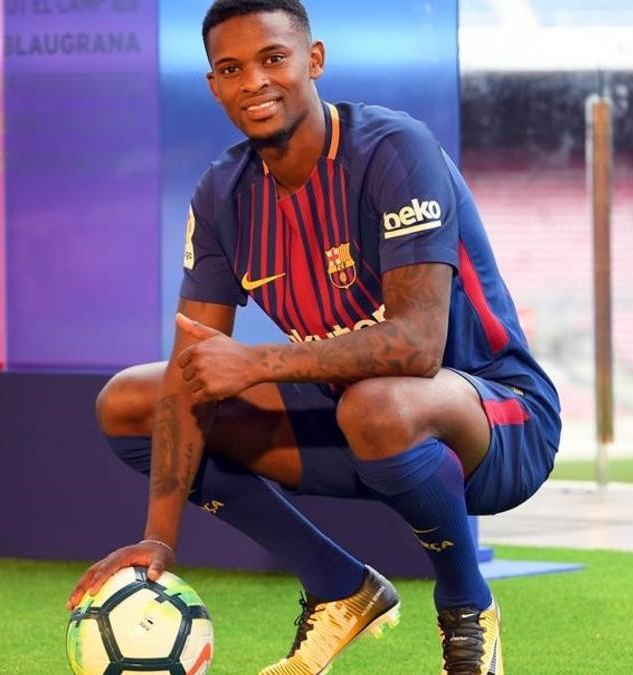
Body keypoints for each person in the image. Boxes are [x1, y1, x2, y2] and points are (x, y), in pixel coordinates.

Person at [67, 1, 561, 673]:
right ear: (214, 85)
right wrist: (160, 536)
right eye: (232, 69)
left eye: (274, 59)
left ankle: (467, 606)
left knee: (377, 403)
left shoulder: (393, 150)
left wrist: (257, 362)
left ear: (314, 60)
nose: (255, 83)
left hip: (499, 422)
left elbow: (417, 344)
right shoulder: (222, 195)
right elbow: (192, 371)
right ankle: (340, 587)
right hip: (357, 422)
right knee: (130, 402)